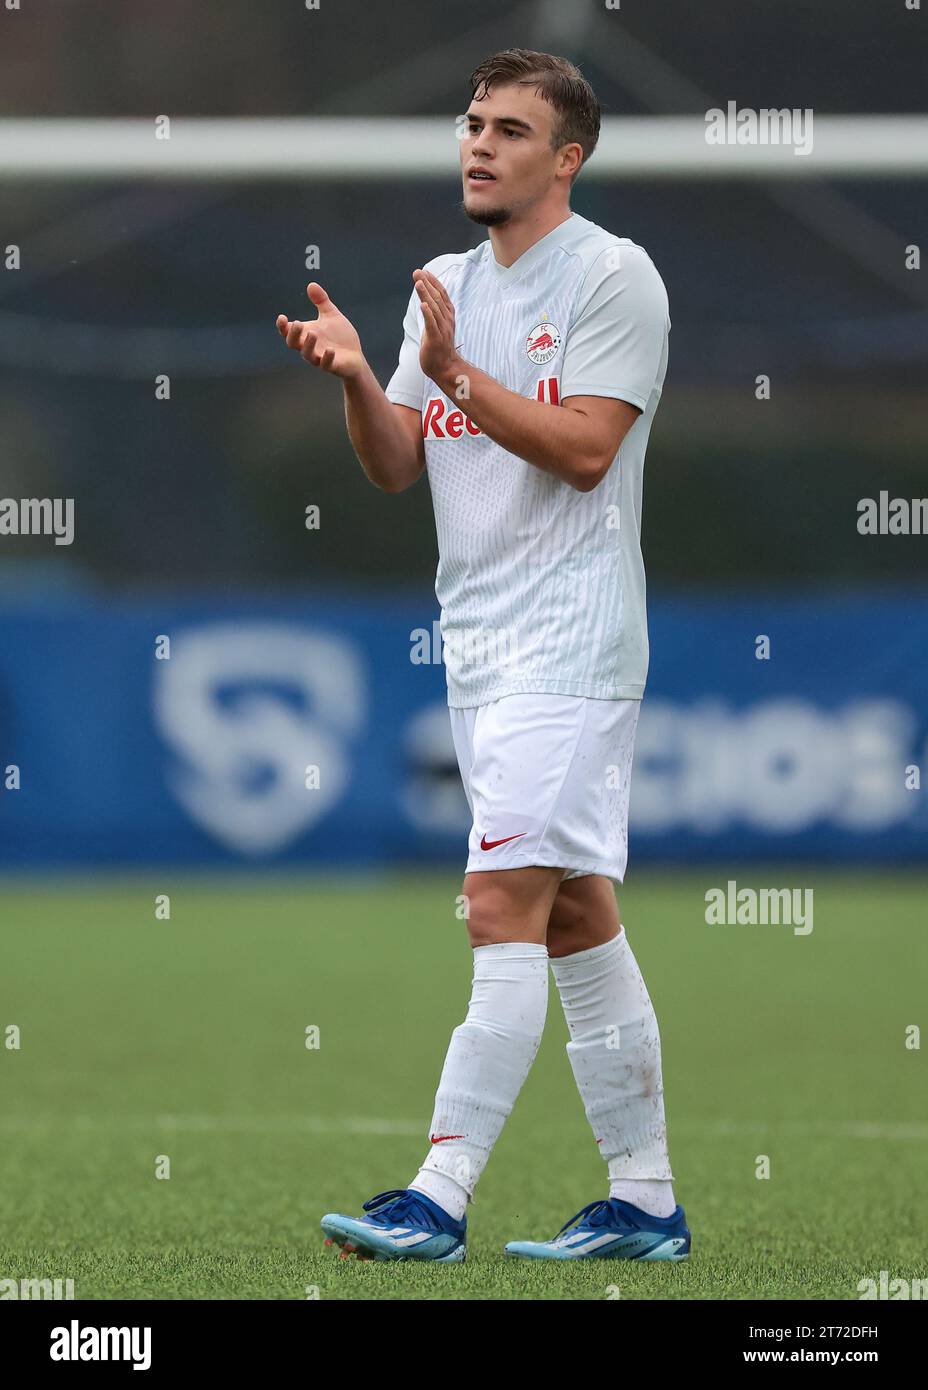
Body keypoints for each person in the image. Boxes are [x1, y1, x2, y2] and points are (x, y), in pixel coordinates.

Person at [276, 47, 689, 1264]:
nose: (478, 144)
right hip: (479, 645)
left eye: (510, 129)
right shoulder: (441, 286)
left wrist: (458, 371)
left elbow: (583, 452)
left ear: (567, 158)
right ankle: (646, 1200)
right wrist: (364, 376)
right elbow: (398, 462)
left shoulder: (616, 276)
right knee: (573, 920)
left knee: (498, 903)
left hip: (572, 642)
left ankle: (437, 1196)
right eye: (471, 123)